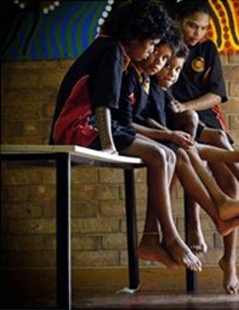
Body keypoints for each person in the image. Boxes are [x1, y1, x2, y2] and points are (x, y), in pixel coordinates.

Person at [48, 1, 202, 272]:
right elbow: (103, 103)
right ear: (135, 36)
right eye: (151, 44)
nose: (152, 51)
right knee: (158, 155)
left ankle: (153, 237)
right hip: (78, 128)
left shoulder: (114, 49)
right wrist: (109, 146)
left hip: (95, 124)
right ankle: (169, 237)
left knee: (166, 154)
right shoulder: (111, 50)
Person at [134, 37, 239, 293]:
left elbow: (215, 97)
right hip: (165, 137)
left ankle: (233, 193)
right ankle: (218, 203)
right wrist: (171, 134)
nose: (170, 71)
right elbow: (138, 120)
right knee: (183, 151)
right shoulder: (148, 84)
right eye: (165, 63)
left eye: (176, 68)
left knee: (199, 145)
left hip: (190, 126)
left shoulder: (166, 85)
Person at [167, 2, 239, 292]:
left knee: (228, 182)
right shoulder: (165, 47)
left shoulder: (207, 50)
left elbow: (217, 95)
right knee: (193, 157)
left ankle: (229, 260)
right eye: (192, 25)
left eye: (203, 28)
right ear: (177, 20)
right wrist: (182, 109)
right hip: (176, 118)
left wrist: (188, 105)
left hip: (204, 116)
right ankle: (194, 222)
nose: (197, 33)